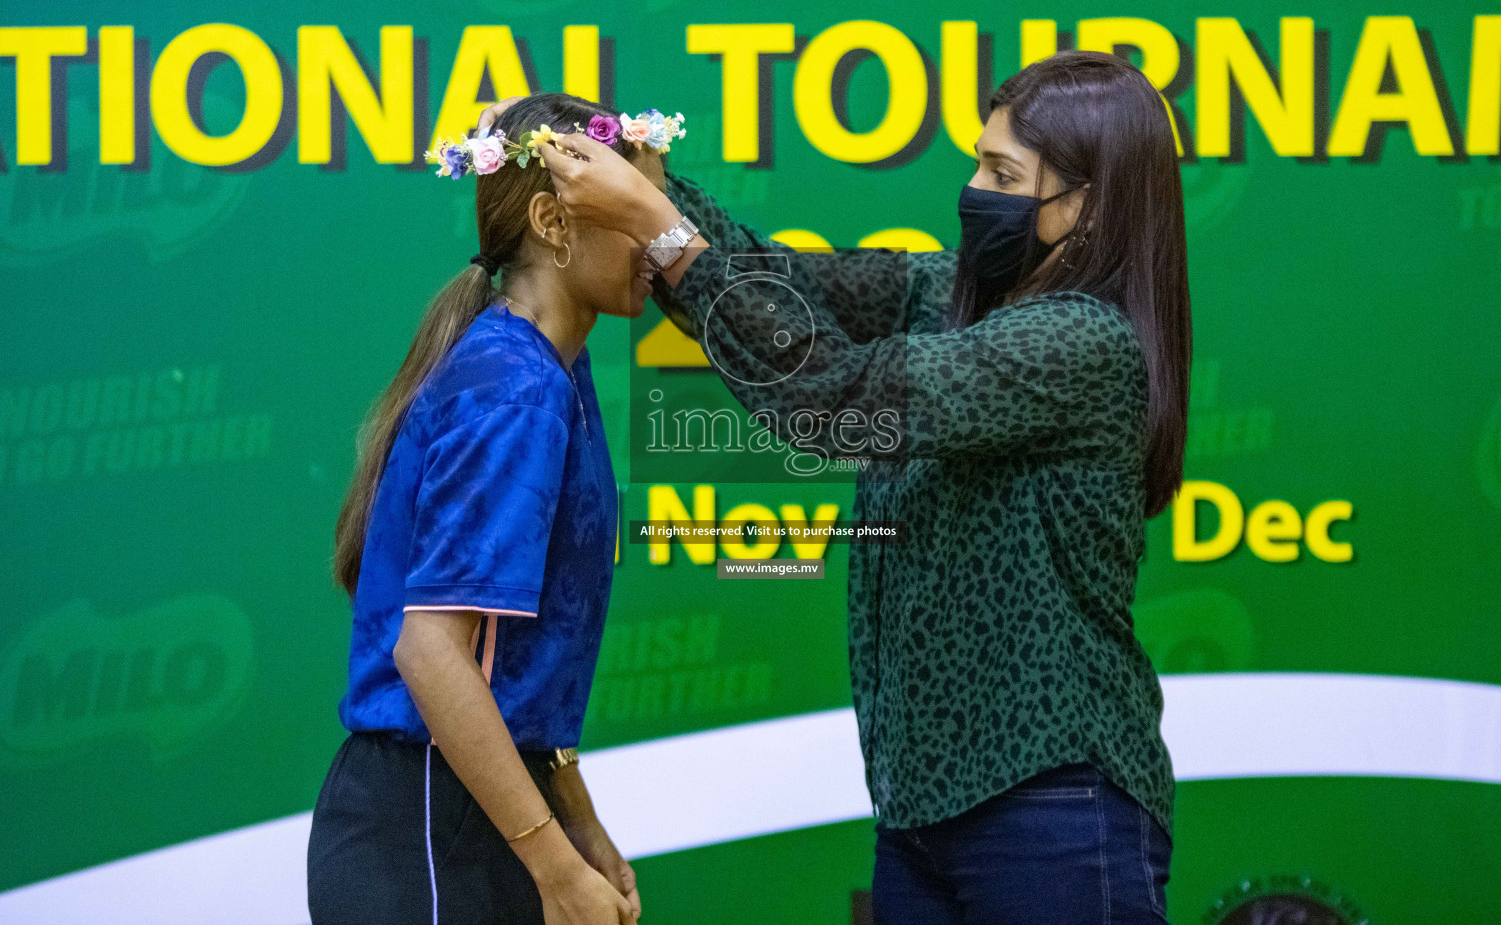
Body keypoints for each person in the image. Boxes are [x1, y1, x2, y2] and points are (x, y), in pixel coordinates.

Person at [529, 50, 1191, 923]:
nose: (973, 189)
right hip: (917, 817)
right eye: (978, 161)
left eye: (1003, 173)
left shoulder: (1080, 342)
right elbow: (774, 285)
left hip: (1052, 806)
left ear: (1088, 203)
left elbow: (836, 403)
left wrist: (658, 229)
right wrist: (642, 172)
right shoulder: (949, 294)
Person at [308, 93, 682, 925]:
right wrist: (554, 870)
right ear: (553, 221)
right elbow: (434, 652)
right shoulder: (514, 388)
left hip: (481, 808)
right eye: (635, 211)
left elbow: (508, 665)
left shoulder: (554, 368)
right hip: (432, 827)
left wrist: (577, 819)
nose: (664, 238)